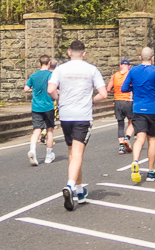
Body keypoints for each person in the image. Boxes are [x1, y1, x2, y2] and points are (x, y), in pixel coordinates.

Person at [48, 39, 107, 211]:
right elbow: (103, 93)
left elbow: (51, 89)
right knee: (78, 153)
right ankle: (70, 185)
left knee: (72, 154)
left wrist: (59, 99)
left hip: (66, 116)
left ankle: (79, 191)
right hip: (82, 115)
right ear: (84, 53)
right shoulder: (91, 69)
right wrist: (91, 100)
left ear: (68, 52)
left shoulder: (60, 69)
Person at [122, 46, 155, 183]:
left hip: (138, 109)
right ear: (152, 58)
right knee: (151, 139)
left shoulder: (133, 70)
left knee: (139, 137)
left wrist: (134, 87)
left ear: (140, 58)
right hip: (153, 109)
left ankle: (135, 161)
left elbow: (124, 88)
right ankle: (151, 172)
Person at [24, 54, 57, 166]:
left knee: (36, 130)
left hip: (36, 106)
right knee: (49, 131)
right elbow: (53, 89)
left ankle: (32, 150)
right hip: (48, 106)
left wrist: (33, 90)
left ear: (39, 63)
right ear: (48, 64)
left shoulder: (33, 75)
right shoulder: (51, 75)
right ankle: (48, 155)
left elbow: (26, 89)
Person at [108, 59, 135, 154]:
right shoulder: (130, 75)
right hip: (128, 100)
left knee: (120, 124)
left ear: (120, 66)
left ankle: (121, 147)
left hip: (118, 101)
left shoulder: (115, 75)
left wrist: (115, 92)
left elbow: (108, 89)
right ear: (129, 66)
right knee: (131, 122)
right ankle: (127, 138)